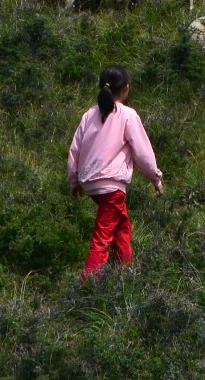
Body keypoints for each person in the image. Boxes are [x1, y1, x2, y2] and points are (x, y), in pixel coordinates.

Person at [65, 65, 164, 278]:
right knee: (101, 239)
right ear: (126, 89)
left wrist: (74, 181)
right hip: (111, 185)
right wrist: (155, 178)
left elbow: (75, 149)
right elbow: (143, 152)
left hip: (91, 183)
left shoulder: (88, 115)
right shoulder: (127, 115)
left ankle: (125, 273)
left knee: (121, 227)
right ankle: (87, 285)